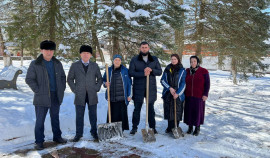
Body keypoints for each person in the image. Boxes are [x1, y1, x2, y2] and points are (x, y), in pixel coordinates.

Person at [25, 40, 67, 150]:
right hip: (41, 96)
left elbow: (63, 77)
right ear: (41, 50)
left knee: (55, 118)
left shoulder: (57, 63)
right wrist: (38, 90)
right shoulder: (35, 64)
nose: (49, 52)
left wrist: (61, 88)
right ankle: (39, 141)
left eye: (51, 50)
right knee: (40, 120)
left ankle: (57, 137)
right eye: (47, 50)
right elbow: (29, 79)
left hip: (55, 95)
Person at [67, 45, 102, 142]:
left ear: (90, 55)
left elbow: (99, 79)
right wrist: (75, 89)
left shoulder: (95, 66)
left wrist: (96, 88)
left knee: (93, 115)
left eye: (88, 53)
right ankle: (78, 134)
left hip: (92, 94)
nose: (85, 55)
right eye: (84, 53)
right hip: (80, 95)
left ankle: (94, 132)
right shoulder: (75, 65)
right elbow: (69, 79)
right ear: (80, 54)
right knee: (79, 115)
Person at [129, 41, 162, 135]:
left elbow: (160, 71)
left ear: (149, 48)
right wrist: (142, 74)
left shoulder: (154, 59)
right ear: (140, 48)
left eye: (146, 47)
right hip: (138, 88)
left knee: (150, 109)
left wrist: (151, 70)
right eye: (142, 47)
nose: (144, 49)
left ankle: (152, 127)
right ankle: (134, 127)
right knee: (137, 108)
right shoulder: (135, 59)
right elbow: (131, 72)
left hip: (150, 88)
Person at [103, 54, 132, 131]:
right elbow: (103, 80)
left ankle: (121, 130)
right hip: (112, 96)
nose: (117, 61)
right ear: (113, 61)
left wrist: (129, 95)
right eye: (116, 60)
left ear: (121, 61)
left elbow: (129, 83)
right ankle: (112, 130)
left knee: (121, 114)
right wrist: (105, 84)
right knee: (112, 114)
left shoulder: (125, 70)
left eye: (119, 60)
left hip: (122, 97)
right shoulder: (108, 70)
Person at [184, 55, 210, 136]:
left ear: (197, 62)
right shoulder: (187, 71)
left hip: (199, 96)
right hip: (188, 95)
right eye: (191, 61)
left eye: (194, 61)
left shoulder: (204, 71)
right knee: (189, 112)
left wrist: (205, 94)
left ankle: (197, 128)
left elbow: (207, 84)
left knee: (197, 112)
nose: (193, 63)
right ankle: (190, 127)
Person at [160, 54, 186, 133]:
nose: (173, 61)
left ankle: (176, 126)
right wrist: (169, 88)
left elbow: (183, 83)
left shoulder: (182, 70)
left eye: (175, 59)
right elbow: (162, 80)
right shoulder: (167, 69)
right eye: (172, 59)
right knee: (169, 110)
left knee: (177, 110)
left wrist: (177, 93)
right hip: (168, 93)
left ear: (178, 60)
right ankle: (169, 127)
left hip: (178, 94)